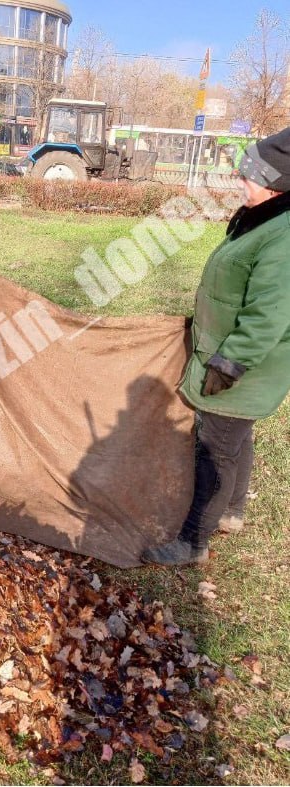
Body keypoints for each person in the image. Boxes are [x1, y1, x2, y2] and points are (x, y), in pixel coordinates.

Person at [141, 127, 290, 566]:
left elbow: (270, 312)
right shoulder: (267, 217)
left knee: (216, 449)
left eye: (250, 176)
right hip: (242, 357)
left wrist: (231, 364)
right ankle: (233, 513)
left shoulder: (284, 235)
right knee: (237, 435)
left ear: (277, 183)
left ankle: (192, 541)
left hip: (246, 362)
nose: (240, 182)